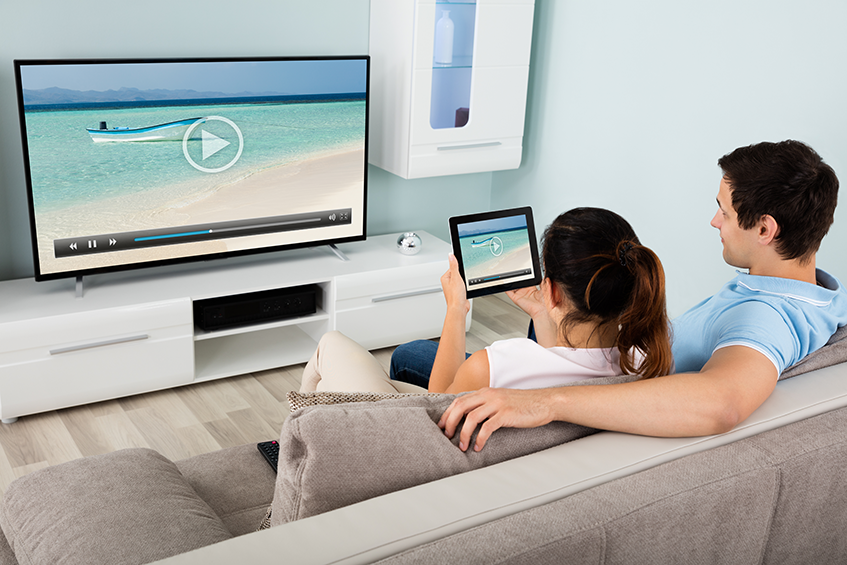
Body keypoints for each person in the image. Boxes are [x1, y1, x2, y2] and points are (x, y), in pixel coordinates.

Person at [424, 139, 847, 452]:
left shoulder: (766, 320)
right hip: (614, 357)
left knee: (412, 356)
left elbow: (722, 404)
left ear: (765, 230)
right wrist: (545, 315)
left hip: (607, 368)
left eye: (726, 211)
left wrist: (545, 401)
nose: (714, 220)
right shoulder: (812, 293)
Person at [299, 208, 672, 395]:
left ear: (553, 290)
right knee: (410, 354)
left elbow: (437, 406)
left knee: (347, 346)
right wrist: (543, 312)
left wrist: (455, 310)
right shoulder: (649, 359)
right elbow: (566, 356)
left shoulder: (494, 365)